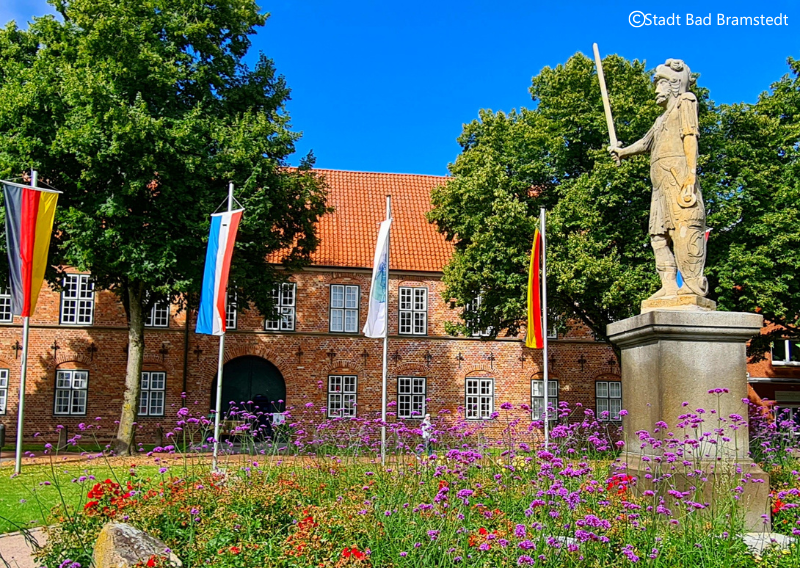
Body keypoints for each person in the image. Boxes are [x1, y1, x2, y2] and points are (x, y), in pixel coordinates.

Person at [609, 59, 708, 299]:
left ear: (674, 84)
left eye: (660, 84)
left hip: (678, 179)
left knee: (683, 230)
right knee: (657, 236)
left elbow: (690, 137)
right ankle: (668, 285)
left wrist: (690, 178)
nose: (656, 90)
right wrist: (622, 151)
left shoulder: (686, 102)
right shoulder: (659, 120)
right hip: (660, 184)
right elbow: (645, 143)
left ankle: (692, 285)